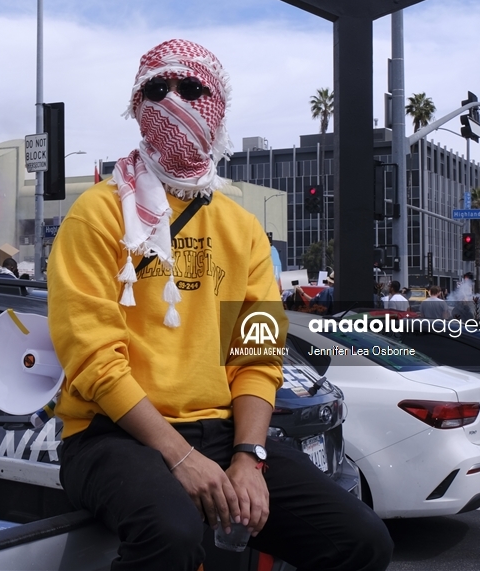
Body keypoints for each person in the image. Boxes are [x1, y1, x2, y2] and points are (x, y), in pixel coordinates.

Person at [47, 39, 391, 571]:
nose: (173, 101)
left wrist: (249, 457)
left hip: (224, 432)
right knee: (171, 534)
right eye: (156, 89)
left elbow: (256, 356)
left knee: (361, 540)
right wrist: (179, 456)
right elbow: (93, 359)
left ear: (218, 106)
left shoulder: (242, 229)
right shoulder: (96, 215)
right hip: (111, 435)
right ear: (137, 107)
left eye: (191, 88)